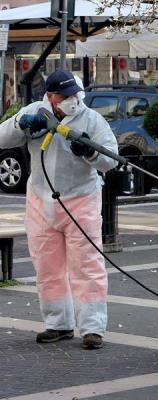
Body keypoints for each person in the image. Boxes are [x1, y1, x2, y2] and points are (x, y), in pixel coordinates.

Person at [0, 70, 118, 349]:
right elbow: (2, 138)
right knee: (47, 265)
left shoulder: (92, 119)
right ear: (50, 96)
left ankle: (92, 328)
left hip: (81, 201)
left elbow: (110, 159)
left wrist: (89, 151)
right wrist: (20, 125)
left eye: (71, 95)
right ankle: (58, 323)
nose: (68, 101)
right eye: (62, 96)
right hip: (41, 201)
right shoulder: (35, 112)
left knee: (87, 265)